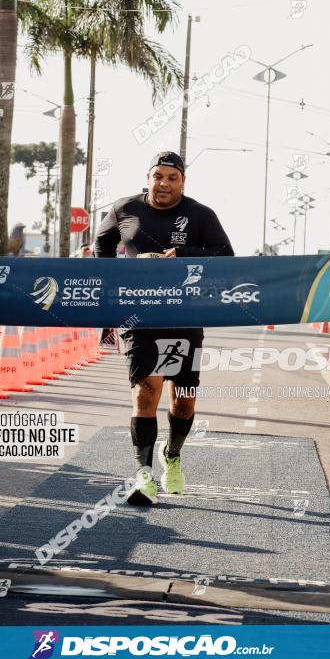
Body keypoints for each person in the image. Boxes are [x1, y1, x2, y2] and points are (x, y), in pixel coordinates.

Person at [94, 151, 234, 506]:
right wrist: (114, 282)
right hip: (138, 315)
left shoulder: (200, 214)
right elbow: (101, 245)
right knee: (146, 389)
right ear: (149, 177)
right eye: (159, 176)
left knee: (183, 398)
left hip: (184, 314)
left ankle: (172, 454)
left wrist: (182, 253)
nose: (164, 184)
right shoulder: (125, 208)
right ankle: (143, 475)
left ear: (182, 181)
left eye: (172, 178)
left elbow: (225, 254)